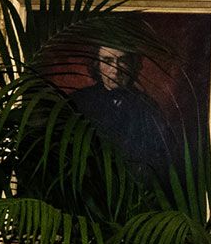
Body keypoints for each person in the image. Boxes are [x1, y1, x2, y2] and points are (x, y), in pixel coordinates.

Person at [67, 43, 179, 175]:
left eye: (122, 61)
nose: (115, 69)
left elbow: (162, 158)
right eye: (107, 61)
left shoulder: (147, 106)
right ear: (97, 65)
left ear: (132, 65)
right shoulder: (77, 102)